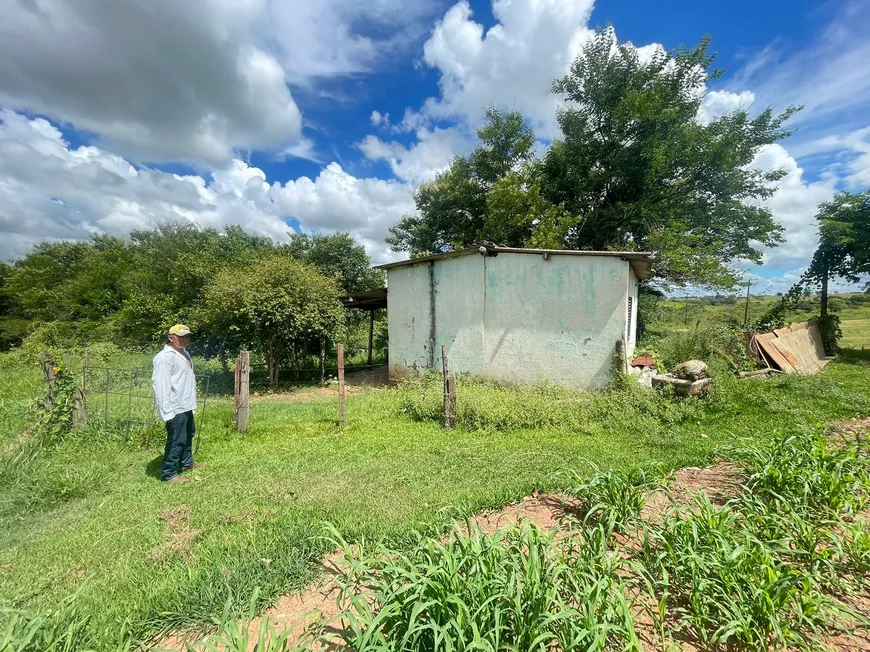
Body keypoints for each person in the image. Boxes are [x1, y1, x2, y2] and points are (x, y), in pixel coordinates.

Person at [152, 324, 201, 483]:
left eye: (187, 336)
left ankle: (187, 463)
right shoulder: (165, 357)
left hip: (186, 404)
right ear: (170, 338)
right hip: (175, 407)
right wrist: (167, 411)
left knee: (188, 434)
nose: (185, 340)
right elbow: (161, 385)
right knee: (176, 439)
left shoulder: (184, 353)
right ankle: (169, 473)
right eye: (181, 337)